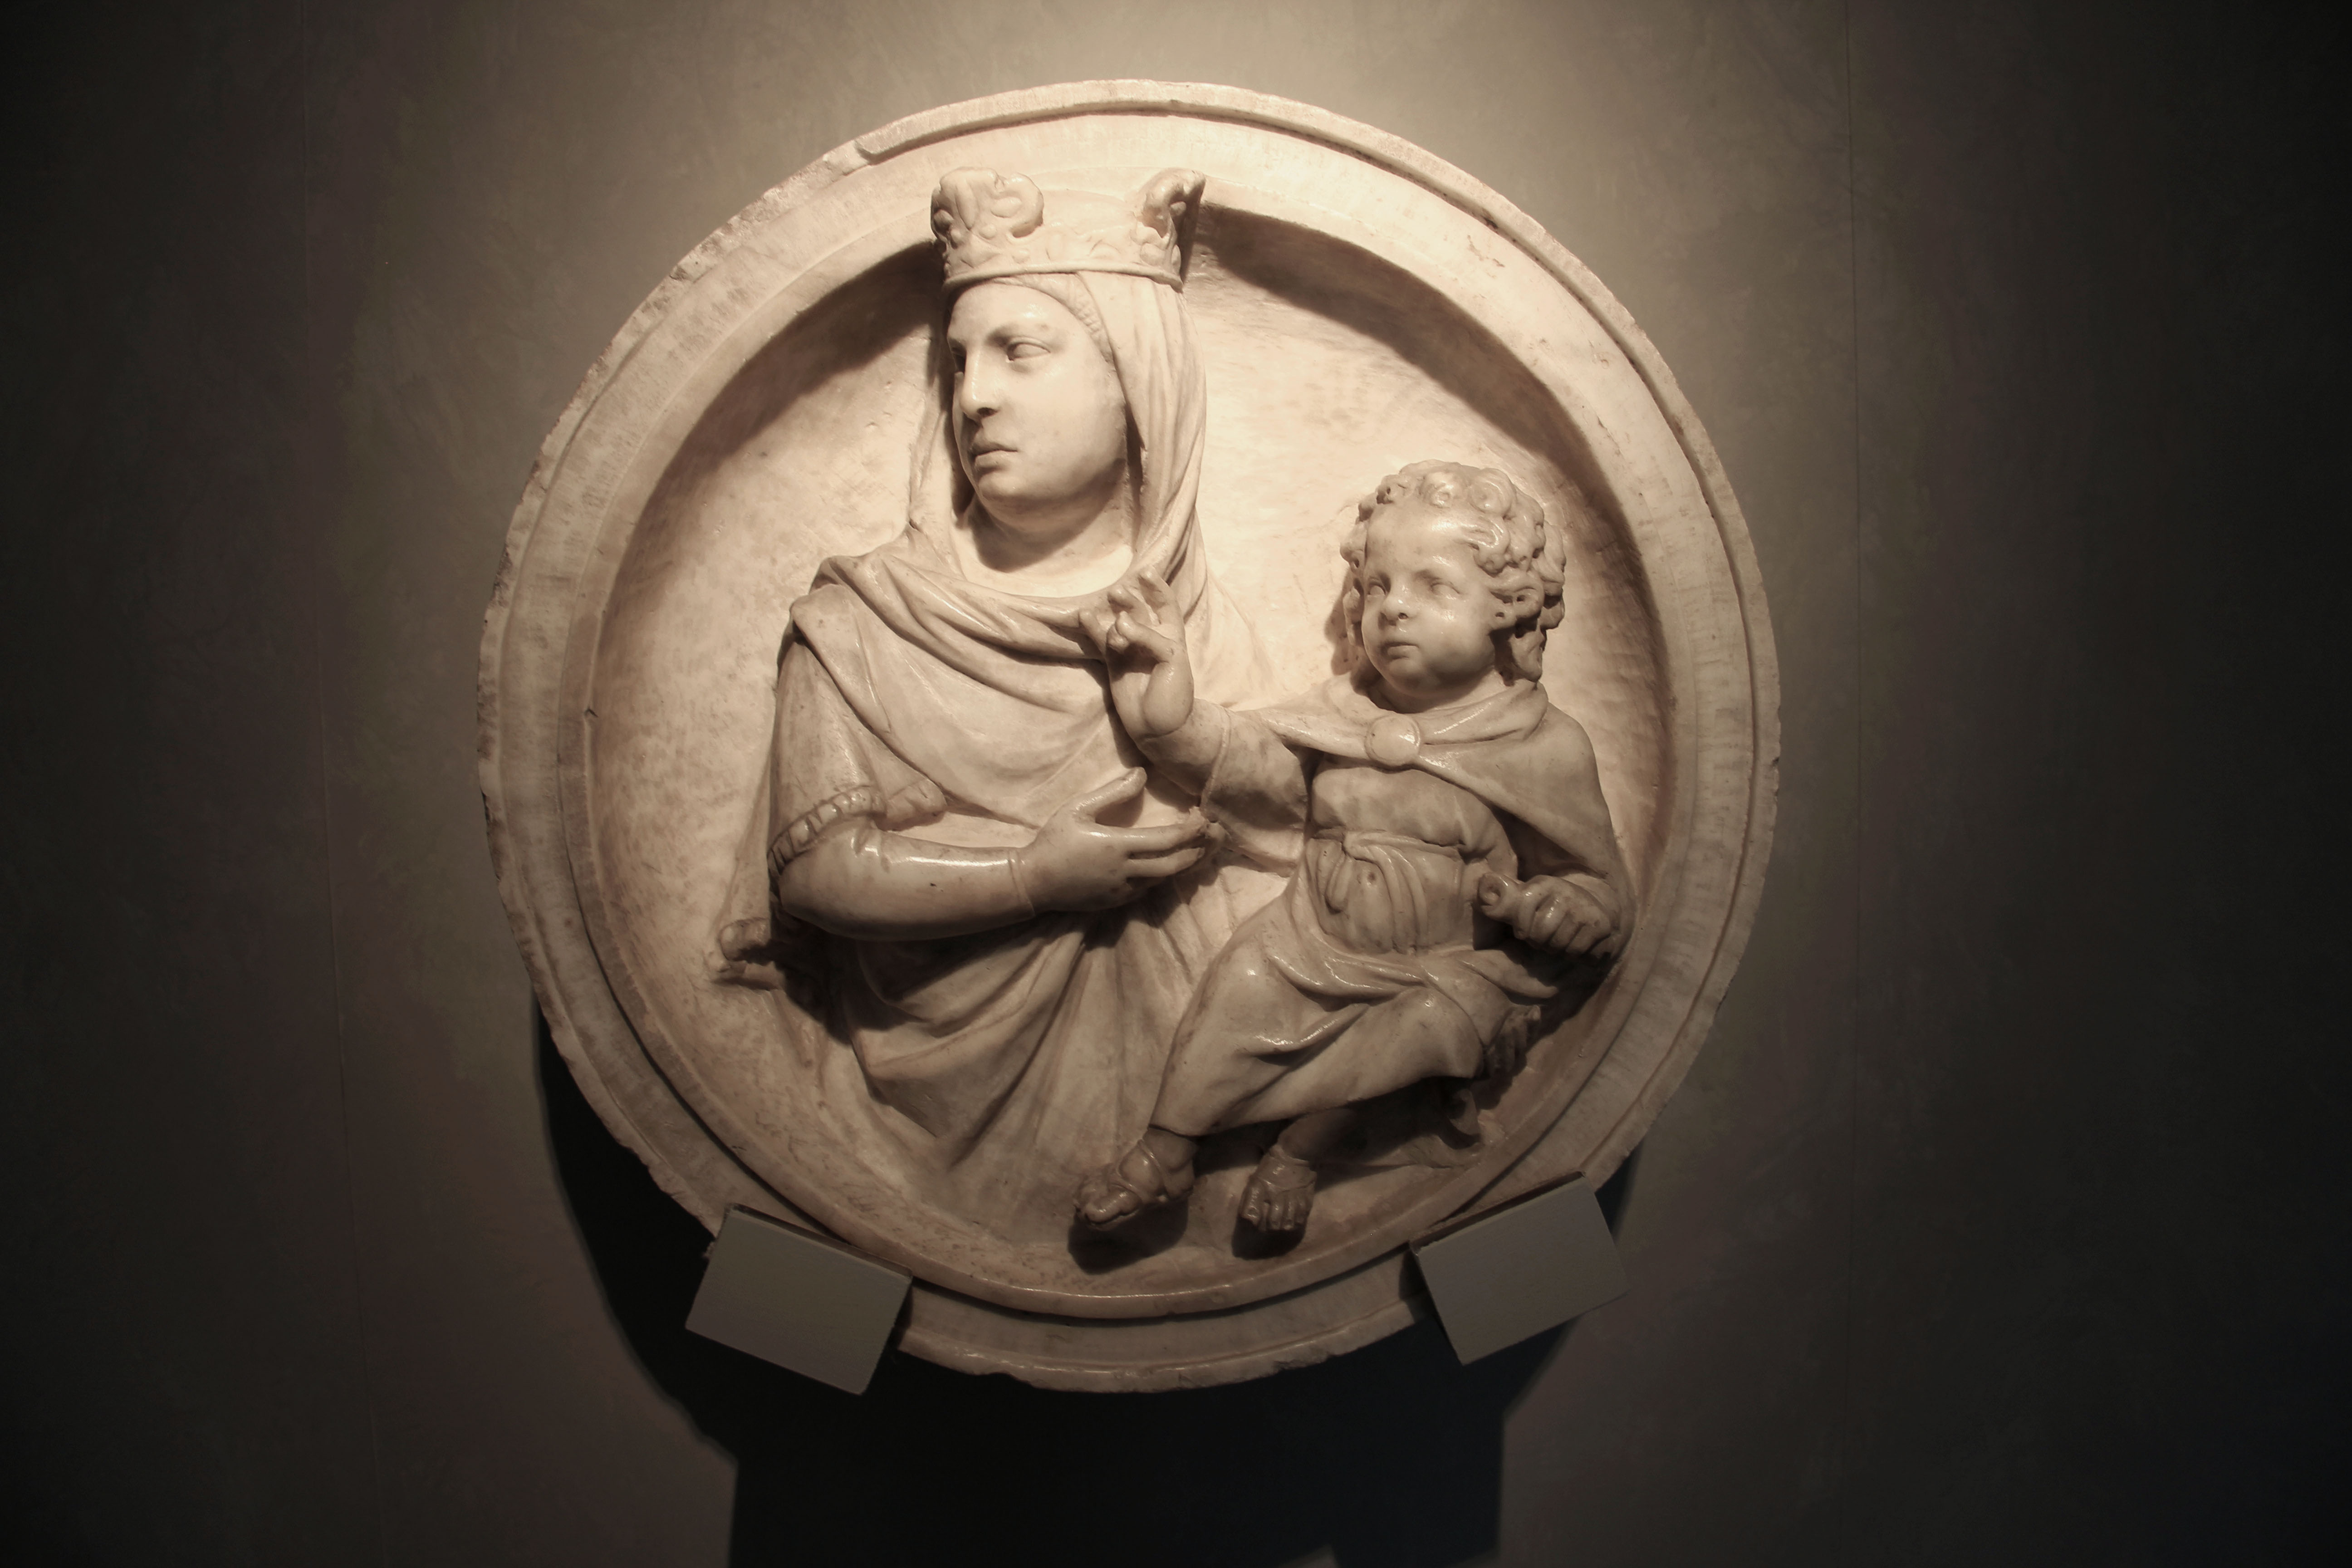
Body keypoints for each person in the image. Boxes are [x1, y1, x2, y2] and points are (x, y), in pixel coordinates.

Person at [716, 167, 1276, 1238]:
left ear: (1137, 383)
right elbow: (817, 871)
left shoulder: (1199, 628)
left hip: (1179, 1098)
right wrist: (1031, 879)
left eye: (1021, 352)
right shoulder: (865, 623)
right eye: (959, 362)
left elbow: (1303, 837)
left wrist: (1184, 736)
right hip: (918, 1120)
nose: (974, 397)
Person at [1074, 461, 1632, 1237]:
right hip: (1306, 944)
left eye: (1433, 587)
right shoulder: (1337, 718)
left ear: (1508, 609)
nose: (1393, 607)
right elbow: (1251, 769)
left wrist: (1557, 911)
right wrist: (1171, 711)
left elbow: (1596, 889)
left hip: (1444, 966)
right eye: (1376, 587)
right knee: (1238, 987)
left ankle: (1302, 1151)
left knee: (1426, 1028)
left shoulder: (1542, 746)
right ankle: (1168, 1149)